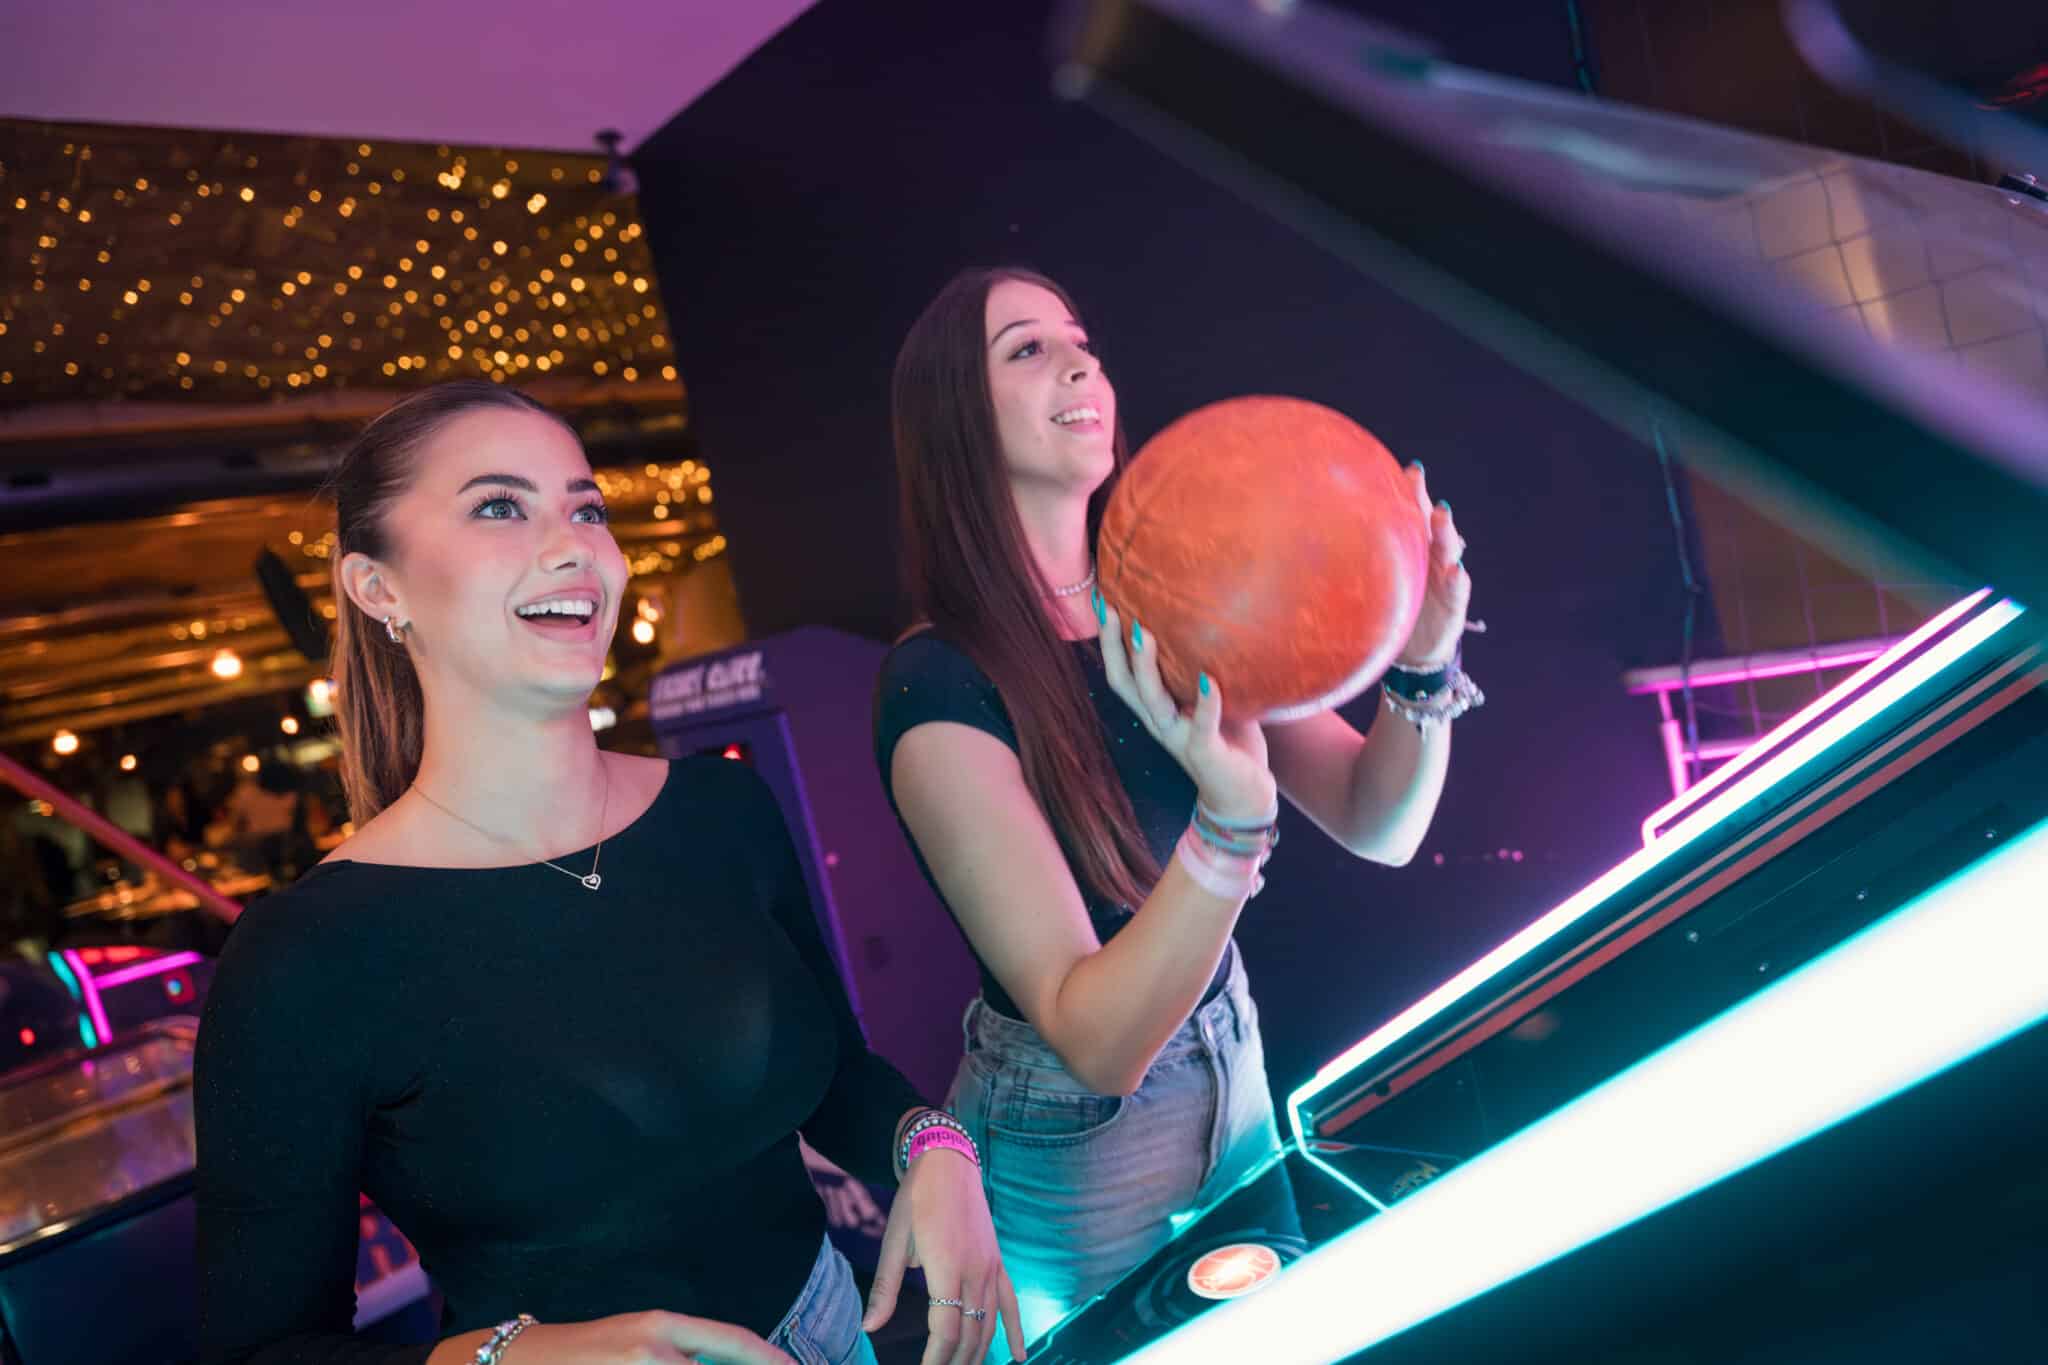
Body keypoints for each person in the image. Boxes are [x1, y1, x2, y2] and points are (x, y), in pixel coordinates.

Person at [196, 381, 1026, 1365]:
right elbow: (265, 1350)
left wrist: (931, 1145)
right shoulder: (306, 955)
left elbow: (832, 1073)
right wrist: (509, 1360)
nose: (573, 545)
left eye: (587, 510)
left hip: (830, 1334)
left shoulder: (721, 812)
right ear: (378, 589)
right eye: (499, 506)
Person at [873, 268, 1478, 1350]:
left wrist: (1422, 661)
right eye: (1027, 349)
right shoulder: (937, 686)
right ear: (954, 414)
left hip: (1228, 1063)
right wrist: (1229, 828)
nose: (1079, 363)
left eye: (1080, 339)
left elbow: (1378, 822)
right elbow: (1095, 1040)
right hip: (1069, 1145)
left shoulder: (1171, 599)